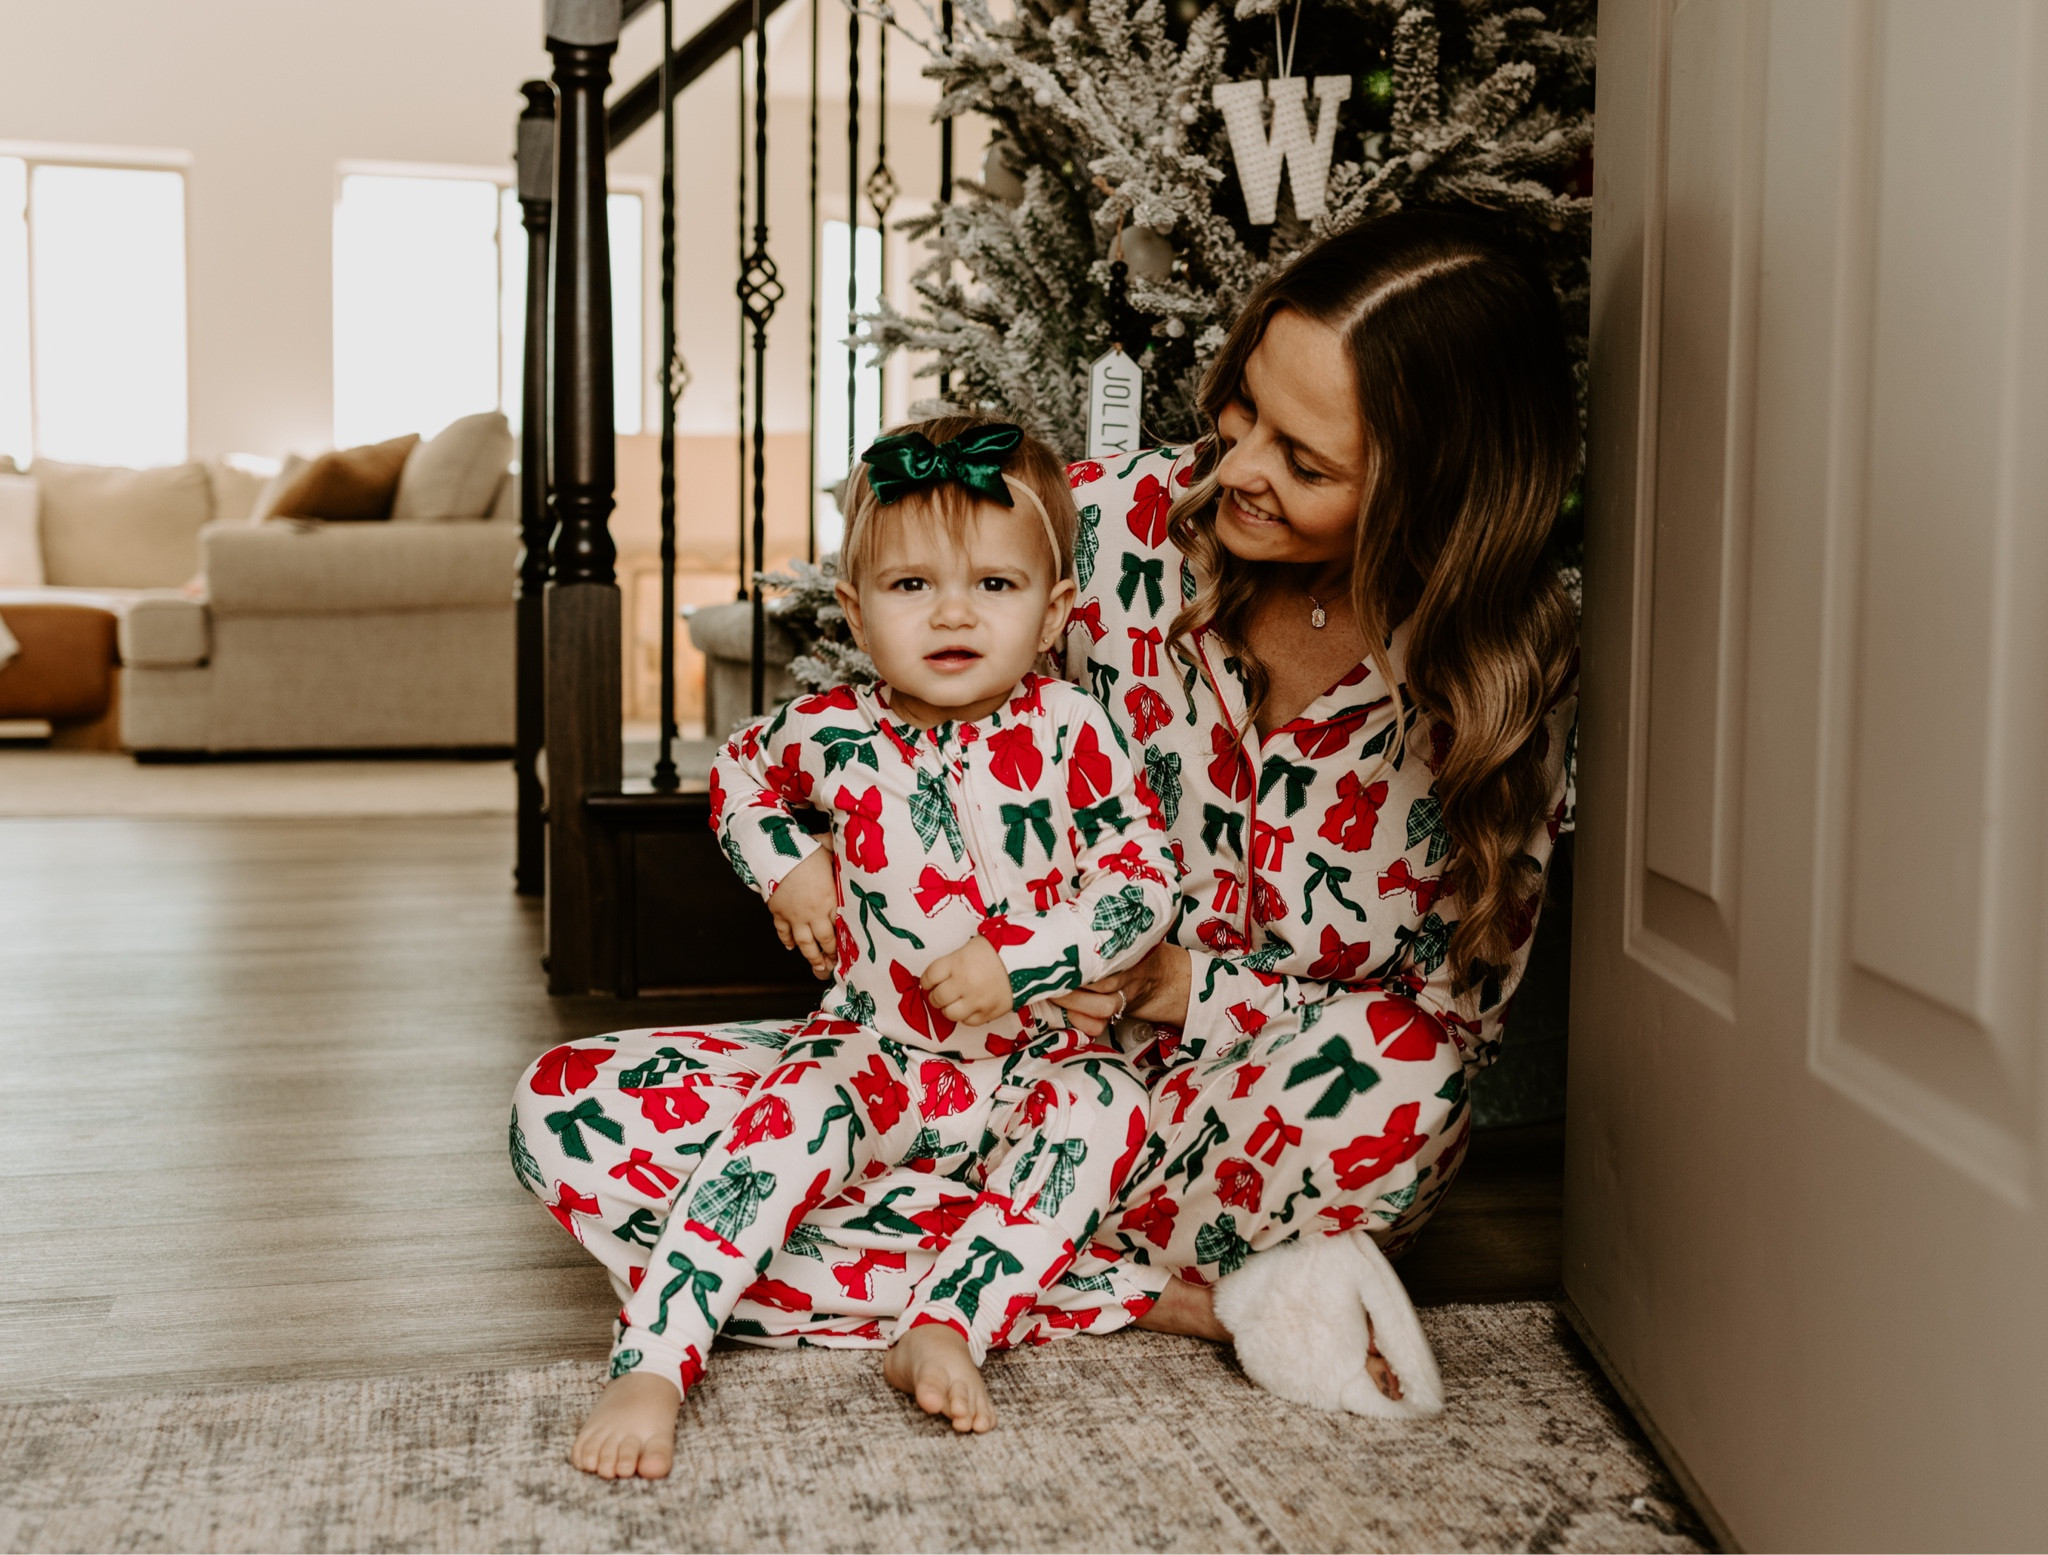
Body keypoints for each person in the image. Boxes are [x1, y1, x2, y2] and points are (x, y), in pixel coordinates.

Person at [672, 209, 1581, 1408]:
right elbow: (897, 694)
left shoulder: (1495, 673)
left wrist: (1174, 985)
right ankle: (1144, 1293)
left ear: (1437, 489)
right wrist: (812, 855)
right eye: (1242, 409)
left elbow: (1434, 1012)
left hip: (1244, 1130)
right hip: (982, 1075)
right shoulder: (1098, 534)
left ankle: (926, 1254)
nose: (1237, 468)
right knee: (567, 1121)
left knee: (1402, 1077)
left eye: (1304, 463)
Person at [511, 417, 1177, 1477]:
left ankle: (949, 1315)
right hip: (869, 1059)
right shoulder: (828, 728)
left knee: (1112, 1111)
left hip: (1033, 1068)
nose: (953, 612)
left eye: (994, 587)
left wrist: (1027, 961)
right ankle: (657, 1352)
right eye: (910, 586)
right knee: (718, 1120)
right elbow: (736, 773)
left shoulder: (1068, 728)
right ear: (857, 612)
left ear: (1052, 612)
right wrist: (788, 865)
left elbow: (1140, 881)